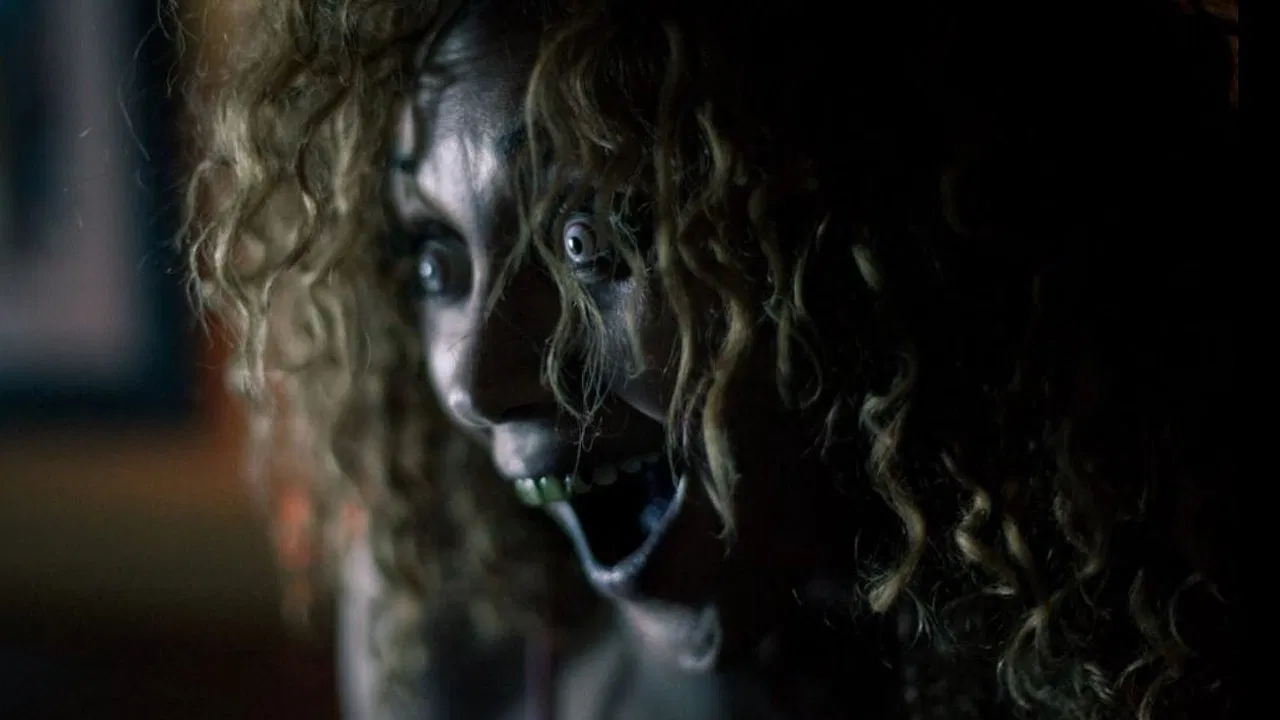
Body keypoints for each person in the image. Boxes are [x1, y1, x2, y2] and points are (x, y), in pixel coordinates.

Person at [183, 0, 1239, 717]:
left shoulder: (1167, 646)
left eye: (596, 237)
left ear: (884, 230)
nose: (474, 381)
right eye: (432, 258)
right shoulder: (454, 635)